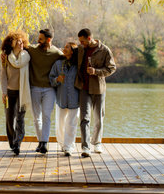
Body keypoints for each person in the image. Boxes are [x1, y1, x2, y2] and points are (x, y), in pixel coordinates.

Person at [75, 28, 116, 157]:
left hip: (99, 89)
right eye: (79, 41)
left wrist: (96, 72)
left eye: (82, 41)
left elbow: (111, 68)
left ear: (89, 38)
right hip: (84, 88)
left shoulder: (104, 50)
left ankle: (97, 142)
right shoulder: (81, 49)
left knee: (99, 118)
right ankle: (85, 147)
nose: (81, 43)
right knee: (84, 118)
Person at [27, 29, 64, 154]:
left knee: (47, 116)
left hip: (49, 89)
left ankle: (44, 143)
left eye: (41, 39)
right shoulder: (32, 50)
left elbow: (69, 58)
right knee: (36, 117)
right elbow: (17, 49)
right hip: (34, 88)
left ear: (49, 40)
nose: (38, 40)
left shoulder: (57, 53)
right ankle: (41, 142)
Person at [0, 30, 31, 156]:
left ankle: (18, 143)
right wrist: (3, 92)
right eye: (17, 41)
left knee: (20, 118)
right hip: (9, 92)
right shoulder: (6, 57)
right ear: (11, 43)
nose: (20, 43)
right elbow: (3, 76)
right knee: (9, 118)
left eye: (22, 41)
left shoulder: (27, 57)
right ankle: (12, 142)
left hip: (22, 93)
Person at [49, 42, 79, 156]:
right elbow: (51, 78)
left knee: (71, 123)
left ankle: (68, 146)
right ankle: (63, 144)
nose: (64, 49)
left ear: (72, 51)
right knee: (60, 123)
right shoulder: (58, 64)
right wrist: (57, 79)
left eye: (67, 47)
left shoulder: (78, 66)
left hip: (75, 98)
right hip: (61, 98)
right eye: (64, 47)